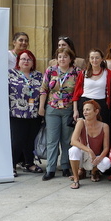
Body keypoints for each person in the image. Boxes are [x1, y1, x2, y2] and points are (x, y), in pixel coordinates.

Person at [39, 47, 81, 180]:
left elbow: (77, 92)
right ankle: (50, 168)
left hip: (68, 109)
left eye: (65, 56)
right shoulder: (51, 71)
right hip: (52, 109)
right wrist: (41, 107)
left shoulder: (76, 72)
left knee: (66, 140)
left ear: (70, 59)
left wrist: (75, 109)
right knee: (52, 140)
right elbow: (44, 89)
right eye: (60, 56)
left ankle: (65, 166)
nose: (62, 59)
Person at [8, 49, 43, 175]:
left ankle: (29, 163)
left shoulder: (39, 75)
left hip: (34, 114)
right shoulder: (10, 74)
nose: (26, 61)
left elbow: (44, 92)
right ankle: (11, 165)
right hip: (17, 113)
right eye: (23, 59)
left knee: (30, 140)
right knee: (17, 140)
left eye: (29, 59)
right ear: (18, 61)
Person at [67, 100, 109, 188]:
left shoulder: (104, 126)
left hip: (95, 157)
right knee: (73, 150)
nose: (85, 112)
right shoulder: (81, 122)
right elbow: (73, 141)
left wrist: (99, 158)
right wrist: (89, 150)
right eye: (84, 110)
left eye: (88, 110)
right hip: (83, 156)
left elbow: (106, 148)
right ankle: (76, 178)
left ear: (96, 111)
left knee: (107, 162)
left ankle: (94, 171)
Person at [73, 48, 111, 127]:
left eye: (97, 58)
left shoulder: (109, 73)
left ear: (102, 59)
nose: (94, 60)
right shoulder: (83, 73)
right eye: (92, 58)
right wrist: (75, 110)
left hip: (101, 105)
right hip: (85, 104)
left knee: (101, 131)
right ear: (89, 59)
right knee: (84, 131)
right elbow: (76, 93)